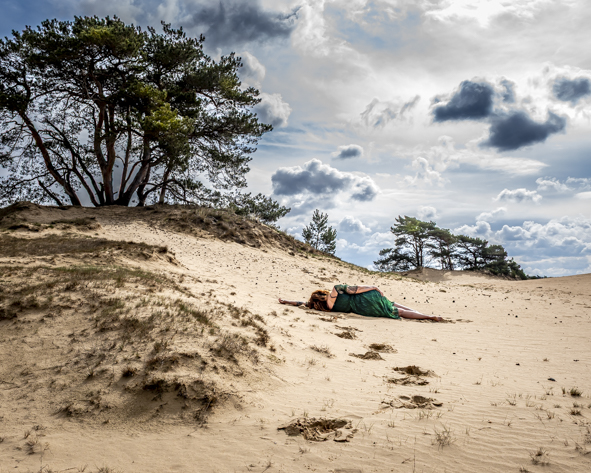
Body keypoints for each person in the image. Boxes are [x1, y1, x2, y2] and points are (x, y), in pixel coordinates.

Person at [279, 284, 443, 322]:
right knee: (393, 305)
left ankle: (428, 317)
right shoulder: (335, 291)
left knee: (395, 310)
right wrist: (373, 287)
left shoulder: (323, 308)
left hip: (362, 309)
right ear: (323, 293)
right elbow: (355, 289)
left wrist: (286, 301)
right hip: (364, 299)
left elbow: (301, 303)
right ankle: (425, 315)